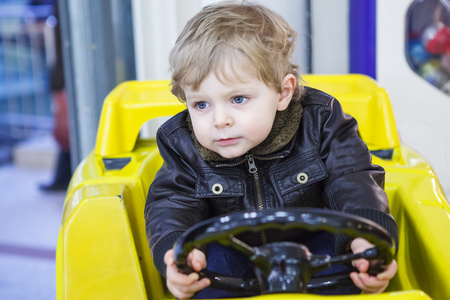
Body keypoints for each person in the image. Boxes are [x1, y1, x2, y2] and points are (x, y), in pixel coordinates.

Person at [145, 2, 398, 299]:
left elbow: (352, 181)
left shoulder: (322, 122)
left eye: (238, 99)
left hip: (312, 250)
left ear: (282, 92)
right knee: (200, 276)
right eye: (201, 104)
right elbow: (172, 204)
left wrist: (366, 242)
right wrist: (177, 256)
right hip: (233, 258)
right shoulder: (183, 143)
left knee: (354, 270)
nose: (220, 120)